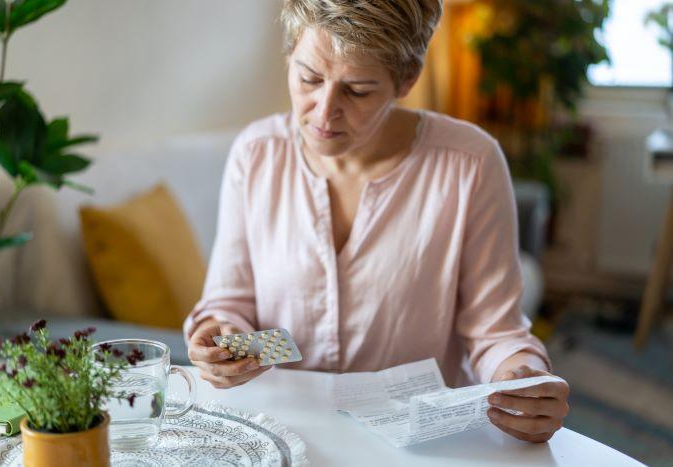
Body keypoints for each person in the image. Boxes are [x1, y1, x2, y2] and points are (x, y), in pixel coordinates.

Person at [184, 0, 569, 443]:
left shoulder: (470, 163)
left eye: (358, 90)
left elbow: (495, 330)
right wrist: (220, 336)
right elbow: (227, 303)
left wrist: (523, 379)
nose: (323, 113)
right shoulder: (255, 154)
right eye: (309, 78)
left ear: (406, 80)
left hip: (418, 444)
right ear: (289, 56)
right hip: (280, 431)